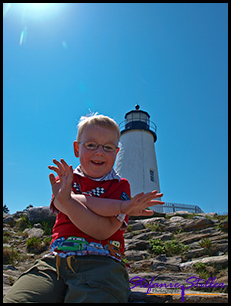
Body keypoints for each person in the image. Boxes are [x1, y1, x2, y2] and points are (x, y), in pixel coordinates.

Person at [3, 113, 164, 303]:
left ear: (117, 152)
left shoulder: (120, 186)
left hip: (103, 265)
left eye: (108, 147)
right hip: (54, 262)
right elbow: (62, 201)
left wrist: (71, 201)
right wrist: (121, 206)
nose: (99, 152)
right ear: (76, 148)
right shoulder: (65, 179)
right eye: (91, 145)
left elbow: (102, 231)